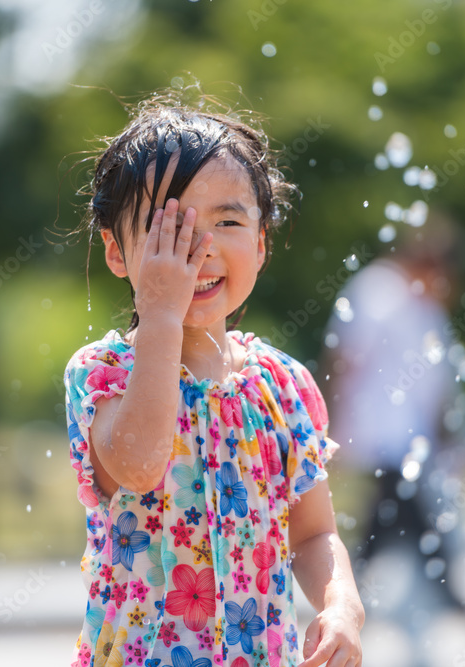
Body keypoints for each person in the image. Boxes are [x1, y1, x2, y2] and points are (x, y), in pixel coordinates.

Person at [63, 89, 363, 667]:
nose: (199, 248)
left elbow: (313, 534)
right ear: (117, 252)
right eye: (167, 226)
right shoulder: (104, 376)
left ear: (261, 242)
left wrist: (342, 602)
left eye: (228, 219)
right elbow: (139, 463)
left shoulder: (283, 385)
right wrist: (162, 318)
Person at [322, 218, 465, 615]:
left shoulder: (426, 308)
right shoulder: (376, 292)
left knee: (391, 516)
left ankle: (352, 586)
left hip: (406, 437)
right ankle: (450, 593)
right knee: (403, 513)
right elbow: (345, 360)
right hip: (379, 430)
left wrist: (447, 438)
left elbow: (436, 386)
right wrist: (330, 422)